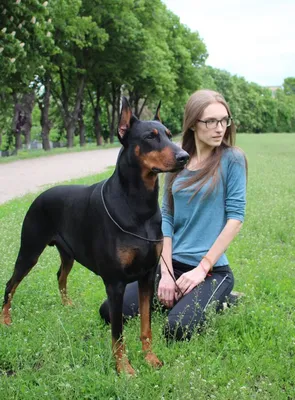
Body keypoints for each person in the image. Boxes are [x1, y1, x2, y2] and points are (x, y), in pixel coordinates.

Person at [100, 89, 247, 341]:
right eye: (211, 121)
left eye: (224, 120)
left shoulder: (232, 159)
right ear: (192, 124)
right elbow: (165, 217)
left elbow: (235, 219)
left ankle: (221, 297)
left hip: (211, 270)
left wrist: (201, 270)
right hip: (172, 265)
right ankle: (187, 294)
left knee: (177, 329)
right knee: (110, 311)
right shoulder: (175, 161)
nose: (219, 128)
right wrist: (166, 273)